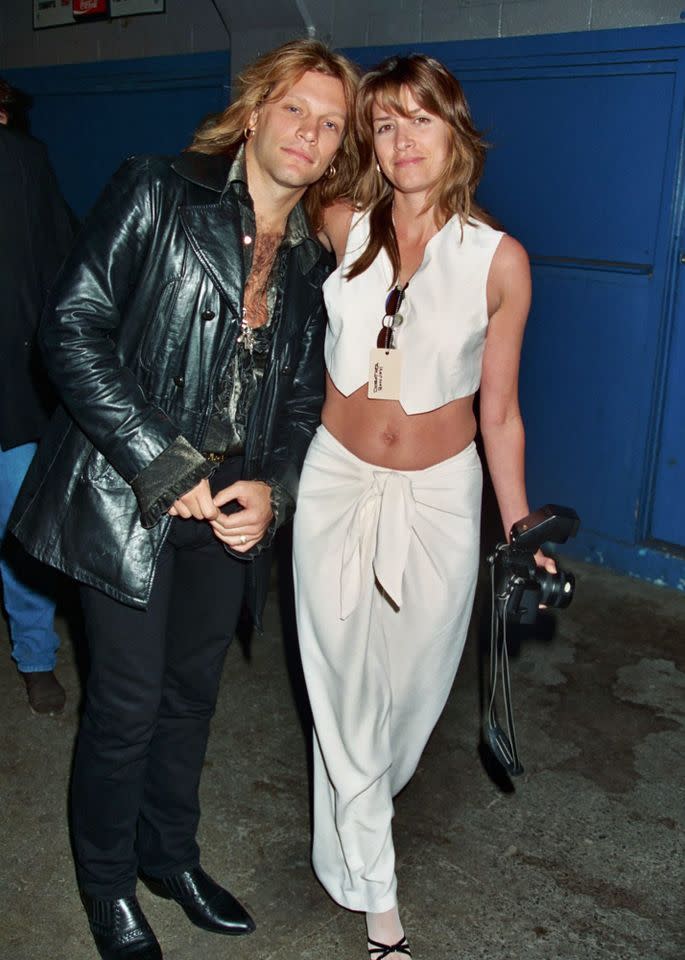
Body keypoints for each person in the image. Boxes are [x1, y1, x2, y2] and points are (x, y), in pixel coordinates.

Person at [11, 39, 358, 960]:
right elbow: (70, 330)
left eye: (328, 124)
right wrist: (168, 469)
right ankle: (106, 883)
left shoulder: (313, 266)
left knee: (191, 695)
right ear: (254, 111)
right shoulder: (157, 191)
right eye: (295, 110)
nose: (308, 134)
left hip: (231, 506)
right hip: (128, 494)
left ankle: (169, 856)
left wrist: (272, 488)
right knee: (125, 702)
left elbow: (298, 399)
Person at [293, 54, 556, 959]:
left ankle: (350, 833)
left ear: (456, 131)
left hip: (442, 501)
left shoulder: (500, 262)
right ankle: (382, 905)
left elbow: (501, 412)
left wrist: (518, 524)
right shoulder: (341, 223)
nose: (403, 140)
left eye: (421, 119)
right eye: (386, 123)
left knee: (405, 708)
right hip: (334, 486)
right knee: (343, 691)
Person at [0, 78, 75, 715]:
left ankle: (34, 654)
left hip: (13, 392)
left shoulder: (22, 162)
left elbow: (61, 266)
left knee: (20, 536)